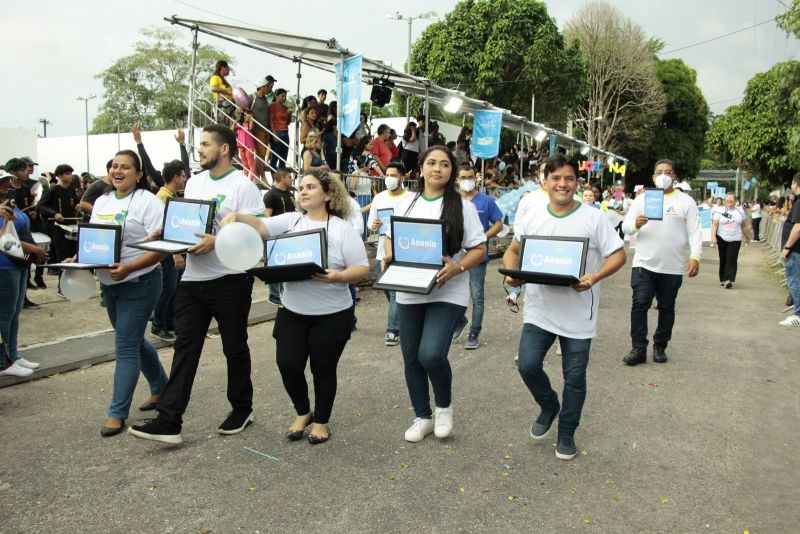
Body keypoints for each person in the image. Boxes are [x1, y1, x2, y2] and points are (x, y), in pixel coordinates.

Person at [129, 124, 265, 445]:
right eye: (199, 144)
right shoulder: (194, 183)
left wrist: (217, 242)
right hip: (192, 280)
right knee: (185, 349)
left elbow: (255, 234)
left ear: (225, 149)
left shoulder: (242, 186)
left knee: (234, 347)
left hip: (230, 279)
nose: (200, 149)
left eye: (205, 144)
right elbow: (187, 222)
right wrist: (166, 234)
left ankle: (242, 408)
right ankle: (169, 420)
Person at [223, 170, 369, 444]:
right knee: (287, 364)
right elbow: (261, 225)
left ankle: (322, 421)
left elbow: (362, 268)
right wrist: (237, 217)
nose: (302, 191)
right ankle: (304, 411)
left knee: (323, 369)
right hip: (292, 311)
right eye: (300, 187)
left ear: (327, 194)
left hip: (332, 313)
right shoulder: (291, 221)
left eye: (311, 187)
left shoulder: (341, 229)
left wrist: (339, 277)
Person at [502, 154, 625, 460]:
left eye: (569, 178)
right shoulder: (532, 215)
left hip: (579, 311)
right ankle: (548, 404)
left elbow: (618, 255)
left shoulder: (594, 218)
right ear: (545, 181)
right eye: (556, 177)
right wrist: (513, 276)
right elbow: (513, 251)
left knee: (575, 377)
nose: (562, 184)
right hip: (540, 308)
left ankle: (567, 432)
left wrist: (594, 277)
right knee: (527, 364)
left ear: (577, 182)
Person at [382, 146, 486, 443]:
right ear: (421, 169)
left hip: (447, 289)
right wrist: (390, 256)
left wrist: (457, 268)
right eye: (431, 163)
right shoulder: (406, 204)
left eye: (444, 164)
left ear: (452, 171)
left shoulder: (463, 207)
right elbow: (391, 238)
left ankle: (443, 407)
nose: (437, 169)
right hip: (409, 289)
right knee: (411, 357)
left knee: (431, 353)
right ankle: (422, 416)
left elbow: (479, 249)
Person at [83, 150, 169, 437]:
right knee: (130, 339)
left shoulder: (148, 202)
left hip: (140, 282)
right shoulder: (102, 201)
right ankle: (161, 387)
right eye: (114, 166)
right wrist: (79, 258)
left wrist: (130, 266)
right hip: (110, 284)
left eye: (126, 167)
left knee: (125, 347)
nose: (118, 171)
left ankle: (116, 413)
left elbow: (161, 248)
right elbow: (95, 240)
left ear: (139, 174)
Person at [621, 159, 702, 365]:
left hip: (672, 266)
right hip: (644, 263)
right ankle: (638, 348)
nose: (664, 175)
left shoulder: (686, 202)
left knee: (666, 307)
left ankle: (660, 345)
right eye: (659, 172)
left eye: (668, 172)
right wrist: (635, 224)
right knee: (639, 304)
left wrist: (695, 257)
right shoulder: (642, 200)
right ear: (653, 177)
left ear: (675, 176)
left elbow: (694, 231)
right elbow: (626, 227)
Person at [452, 164, 503, 349]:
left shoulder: (486, 201)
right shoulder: (453, 200)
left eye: (471, 177)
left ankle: (474, 332)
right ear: (457, 179)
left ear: (476, 178)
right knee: (451, 292)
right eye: (463, 177)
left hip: (478, 256)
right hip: (455, 256)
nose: (467, 181)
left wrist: (484, 237)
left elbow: (499, 223)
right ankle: (459, 320)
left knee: (477, 295)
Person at [0, 171, 45, 377]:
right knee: (5, 314)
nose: (6, 185)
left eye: (7, 181)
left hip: (18, 264)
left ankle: (13, 354)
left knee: (14, 313)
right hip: (4, 265)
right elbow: (6, 239)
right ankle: (5, 361)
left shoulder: (10, 203)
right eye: (2, 182)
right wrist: (35, 250)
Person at [367, 162, 413, 346]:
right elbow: (370, 221)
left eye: (393, 175)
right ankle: (402, 319)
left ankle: (392, 330)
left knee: (395, 293)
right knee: (389, 291)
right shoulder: (379, 198)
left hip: (403, 252)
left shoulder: (411, 198)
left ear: (403, 177)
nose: (389, 178)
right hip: (381, 252)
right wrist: (374, 224)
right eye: (387, 174)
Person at [151, 159, 188, 342]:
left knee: (173, 289)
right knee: (167, 289)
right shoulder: (163, 197)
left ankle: (169, 323)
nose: (185, 178)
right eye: (183, 176)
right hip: (168, 251)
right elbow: (165, 229)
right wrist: (175, 254)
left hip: (173, 249)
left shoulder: (170, 195)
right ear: (175, 177)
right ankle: (158, 325)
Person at [262, 168, 297, 306]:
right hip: (275, 237)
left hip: (288, 236)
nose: (291, 179)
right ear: (282, 178)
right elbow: (266, 216)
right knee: (274, 266)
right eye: (289, 176)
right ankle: (274, 296)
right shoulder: (270, 195)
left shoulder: (290, 194)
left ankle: (283, 294)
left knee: (286, 266)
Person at [38, 164, 80, 266]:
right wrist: (54, 213)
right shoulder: (53, 189)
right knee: (63, 256)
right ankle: (61, 279)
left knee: (73, 256)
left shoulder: (71, 190)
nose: (70, 176)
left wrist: (78, 206)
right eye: (67, 174)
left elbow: (74, 205)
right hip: (58, 227)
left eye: (70, 173)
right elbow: (41, 206)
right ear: (59, 176)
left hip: (71, 226)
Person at [711, 192, 750, 289]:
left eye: (731, 199)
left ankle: (728, 279)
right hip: (722, 237)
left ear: (735, 201)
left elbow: (744, 225)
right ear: (725, 201)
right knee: (723, 258)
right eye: (727, 199)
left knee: (731, 259)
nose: (729, 201)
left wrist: (747, 237)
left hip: (735, 238)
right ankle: (723, 278)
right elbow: (715, 224)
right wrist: (713, 236)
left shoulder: (740, 211)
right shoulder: (719, 210)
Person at [779, 173, 800, 327]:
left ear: (795, 183)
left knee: (794, 282)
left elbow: (798, 228)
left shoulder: (799, 203)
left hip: (795, 251)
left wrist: (787, 247)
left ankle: (798, 314)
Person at [250, 76, 275, 181]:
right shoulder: (252, 97)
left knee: (261, 155)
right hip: (256, 130)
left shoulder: (265, 99)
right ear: (263, 87)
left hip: (265, 130)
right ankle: (262, 177)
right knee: (260, 155)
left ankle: (257, 178)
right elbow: (243, 109)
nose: (270, 89)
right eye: (269, 86)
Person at [269, 89, 291, 170]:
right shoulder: (273, 105)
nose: (284, 98)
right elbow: (271, 120)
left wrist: (289, 114)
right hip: (277, 131)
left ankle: (281, 178)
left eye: (285, 96)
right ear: (276, 96)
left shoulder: (286, 108)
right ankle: (274, 178)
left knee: (283, 157)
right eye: (282, 96)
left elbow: (288, 122)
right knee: (275, 156)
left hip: (285, 132)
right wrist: (274, 134)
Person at [233, 111, 256, 180]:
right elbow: (231, 130)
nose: (246, 116)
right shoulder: (240, 124)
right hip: (241, 145)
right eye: (245, 115)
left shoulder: (249, 124)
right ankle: (244, 180)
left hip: (249, 145)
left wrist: (251, 118)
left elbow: (251, 128)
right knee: (245, 165)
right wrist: (236, 121)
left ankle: (250, 180)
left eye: (248, 115)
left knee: (251, 164)